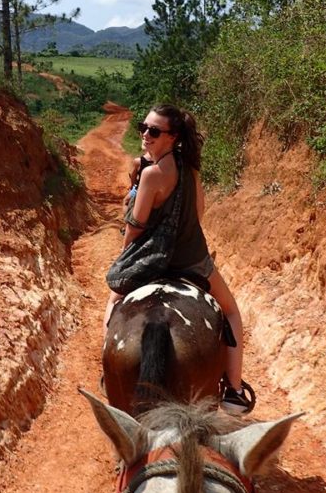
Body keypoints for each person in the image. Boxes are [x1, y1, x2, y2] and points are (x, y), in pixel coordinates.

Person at [103, 104, 252, 414]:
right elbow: (198, 215)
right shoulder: (189, 169)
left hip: (150, 260)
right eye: (143, 127)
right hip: (193, 260)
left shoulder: (152, 175)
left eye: (154, 131)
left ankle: (110, 374)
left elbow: (135, 226)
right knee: (232, 312)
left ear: (172, 137)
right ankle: (235, 391)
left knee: (115, 300)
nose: (145, 134)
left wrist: (124, 258)